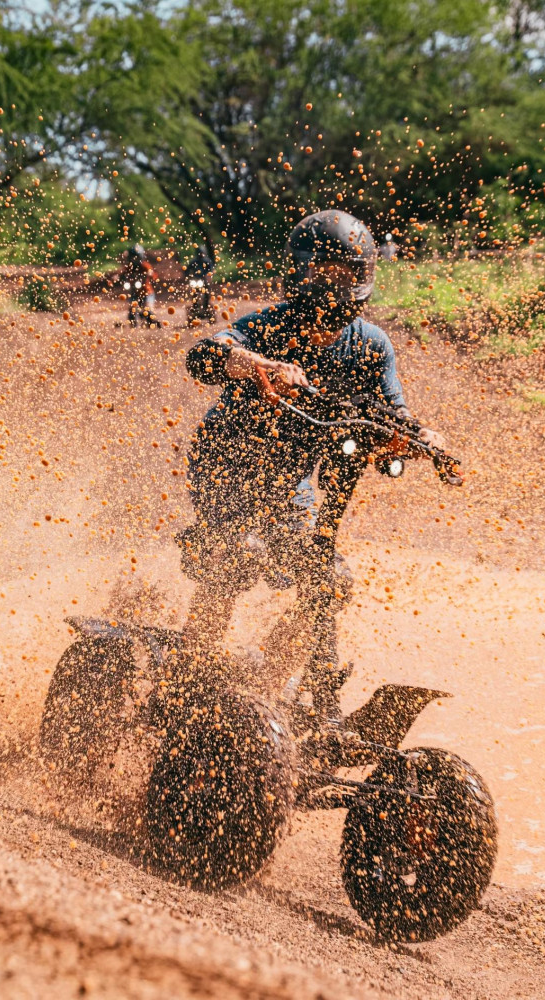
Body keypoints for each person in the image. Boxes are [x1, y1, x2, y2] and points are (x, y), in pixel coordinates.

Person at [178, 210, 444, 719]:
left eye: (345, 273)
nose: (333, 284)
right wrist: (256, 364)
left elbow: (394, 412)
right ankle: (191, 676)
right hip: (225, 463)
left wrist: (416, 438)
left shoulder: (371, 344)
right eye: (322, 271)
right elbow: (203, 356)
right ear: (298, 270)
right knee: (237, 555)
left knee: (327, 579)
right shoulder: (267, 324)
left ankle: (261, 695)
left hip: (292, 482)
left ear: (364, 276)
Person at [123, 244, 160, 328]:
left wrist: (150, 274)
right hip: (134, 291)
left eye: (136, 257)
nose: (134, 259)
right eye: (133, 257)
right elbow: (124, 274)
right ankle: (133, 325)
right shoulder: (129, 267)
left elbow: (152, 273)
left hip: (147, 292)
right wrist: (119, 278)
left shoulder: (145, 265)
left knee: (148, 309)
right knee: (132, 308)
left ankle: (153, 323)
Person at [184, 244, 215, 323]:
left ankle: (206, 305)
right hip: (196, 280)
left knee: (207, 292)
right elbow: (187, 270)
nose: (201, 254)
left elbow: (210, 270)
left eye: (202, 253)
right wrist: (187, 275)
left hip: (204, 280)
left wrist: (209, 276)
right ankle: (195, 306)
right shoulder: (194, 261)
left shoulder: (207, 261)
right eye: (200, 253)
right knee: (194, 293)